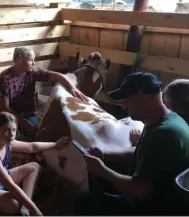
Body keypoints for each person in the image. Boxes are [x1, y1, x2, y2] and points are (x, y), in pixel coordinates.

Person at [76, 72, 189, 216]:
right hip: (158, 190)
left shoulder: (163, 134)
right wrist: (104, 154)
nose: (123, 105)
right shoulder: (167, 119)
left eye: (126, 99)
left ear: (144, 99)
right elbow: (140, 152)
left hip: (158, 207)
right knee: (101, 172)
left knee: (84, 201)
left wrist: (101, 170)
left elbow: (141, 191)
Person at [0, 111, 71, 216]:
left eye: (13, 130)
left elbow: (32, 147)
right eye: (6, 130)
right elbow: (11, 185)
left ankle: (25, 209)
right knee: (13, 204)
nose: (12, 134)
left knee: (34, 167)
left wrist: (55, 145)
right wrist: (36, 210)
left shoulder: (7, 143)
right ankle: (25, 206)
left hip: (1, 179)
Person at [0, 47, 87, 137]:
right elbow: (4, 108)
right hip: (9, 115)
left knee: (38, 133)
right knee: (10, 137)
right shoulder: (5, 78)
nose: (34, 63)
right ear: (19, 61)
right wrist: (24, 123)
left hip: (27, 113)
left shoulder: (32, 71)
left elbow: (57, 75)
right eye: (31, 60)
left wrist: (72, 88)